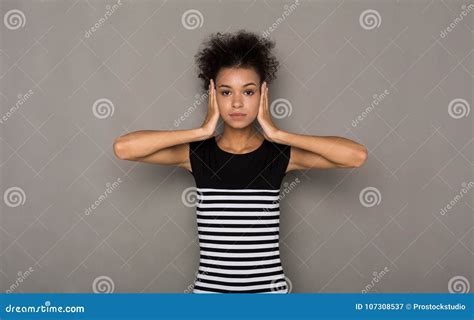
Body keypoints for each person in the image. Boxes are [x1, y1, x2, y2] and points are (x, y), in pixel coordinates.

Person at [113, 30, 368, 293]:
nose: (236, 102)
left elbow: (355, 155)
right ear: (213, 95)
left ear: (262, 94)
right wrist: (200, 132)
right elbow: (124, 148)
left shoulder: (279, 155)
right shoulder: (197, 154)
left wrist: (278, 134)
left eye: (248, 92)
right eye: (225, 92)